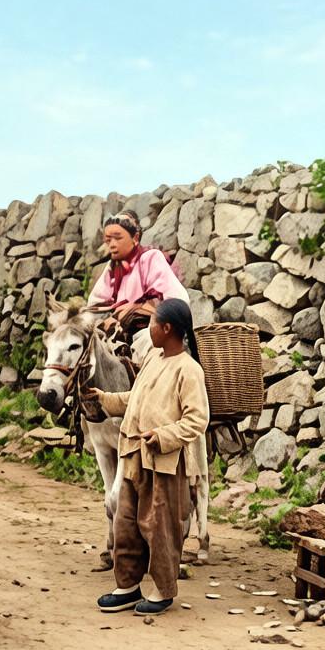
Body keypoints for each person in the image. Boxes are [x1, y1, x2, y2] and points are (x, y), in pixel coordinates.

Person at [89, 299, 209, 616]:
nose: (149, 329)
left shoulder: (189, 370)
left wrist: (163, 436)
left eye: (153, 323)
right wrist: (104, 399)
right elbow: (136, 399)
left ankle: (162, 590)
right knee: (126, 523)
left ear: (167, 328)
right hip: (134, 455)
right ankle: (128, 586)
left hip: (164, 463)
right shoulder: (154, 359)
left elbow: (197, 420)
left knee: (160, 528)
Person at [87, 209, 189, 362]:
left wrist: (141, 309)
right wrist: (111, 319)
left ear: (135, 237)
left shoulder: (151, 258)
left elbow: (179, 300)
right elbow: (94, 305)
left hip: (148, 330)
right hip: (116, 332)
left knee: (149, 342)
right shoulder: (112, 268)